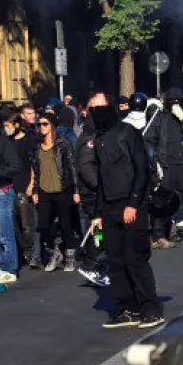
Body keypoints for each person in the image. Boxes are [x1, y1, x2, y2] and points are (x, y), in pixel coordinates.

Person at [89, 92, 162, 329]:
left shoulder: (128, 132)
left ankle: (150, 306)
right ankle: (126, 308)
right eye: (92, 108)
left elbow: (142, 169)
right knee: (116, 260)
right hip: (109, 208)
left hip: (131, 205)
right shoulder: (98, 140)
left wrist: (132, 203)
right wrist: (97, 214)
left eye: (99, 107)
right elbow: (101, 179)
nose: (95, 113)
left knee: (135, 258)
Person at [144, 88, 183, 246]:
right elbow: (148, 138)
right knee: (162, 200)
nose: (175, 104)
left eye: (178, 101)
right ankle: (158, 236)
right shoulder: (160, 116)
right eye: (173, 101)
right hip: (167, 165)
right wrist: (155, 161)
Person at [31, 113, 81, 272]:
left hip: (62, 190)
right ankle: (55, 251)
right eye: (39, 125)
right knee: (43, 225)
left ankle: (70, 255)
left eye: (44, 124)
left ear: (52, 125)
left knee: (66, 225)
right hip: (44, 191)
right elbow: (36, 169)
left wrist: (76, 190)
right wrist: (35, 189)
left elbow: (72, 167)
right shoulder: (37, 145)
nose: (41, 127)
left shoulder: (63, 143)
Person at [76, 106, 109, 287]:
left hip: (95, 193)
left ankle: (96, 264)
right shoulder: (89, 140)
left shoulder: (94, 137)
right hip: (92, 195)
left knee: (98, 231)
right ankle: (92, 264)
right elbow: (86, 167)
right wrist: (101, 187)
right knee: (98, 231)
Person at [6, 114, 39, 269]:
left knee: (27, 223)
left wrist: (32, 184)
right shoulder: (7, 142)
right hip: (9, 187)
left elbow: (33, 164)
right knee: (12, 223)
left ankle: (32, 252)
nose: (8, 129)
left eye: (10, 125)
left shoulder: (28, 141)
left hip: (24, 186)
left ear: (17, 124)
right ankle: (24, 250)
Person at [0, 111, 22, 284]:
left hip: (2, 191)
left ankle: (10, 268)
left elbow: (15, 166)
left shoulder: (4, 142)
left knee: (5, 232)